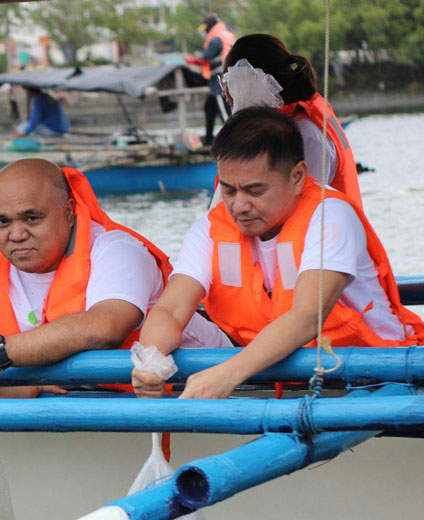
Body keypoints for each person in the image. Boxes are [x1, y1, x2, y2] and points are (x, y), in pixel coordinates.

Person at [132, 108, 424, 400]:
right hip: (278, 378)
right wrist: (151, 361)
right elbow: (170, 309)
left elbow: (308, 315)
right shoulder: (210, 228)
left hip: (375, 378)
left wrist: (228, 374)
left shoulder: (331, 215)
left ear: (297, 177)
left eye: (254, 190)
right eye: (229, 190)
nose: (239, 206)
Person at [0, 159, 231, 399]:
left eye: (31, 218)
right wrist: (30, 385)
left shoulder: (117, 249)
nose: (16, 234)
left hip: (205, 388)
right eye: (2, 222)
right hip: (90, 399)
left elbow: (105, 327)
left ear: (68, 212)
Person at [222, 33, 362, 209]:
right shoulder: (285, 128)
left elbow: (300, 209)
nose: (226, 93)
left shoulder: (304, 135)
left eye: (229, 82)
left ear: (253, 81)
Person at [185, 13, 235, 145]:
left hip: (219, 83)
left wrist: (190, 60)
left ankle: (234, 140)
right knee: (209, 109)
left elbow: (204, 58)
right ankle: (208, 139)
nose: (205, 32)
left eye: (206, 28)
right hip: (223, 81)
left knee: (225, 114)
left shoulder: (216, 39)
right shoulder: (227, 34)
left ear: (210, 27)